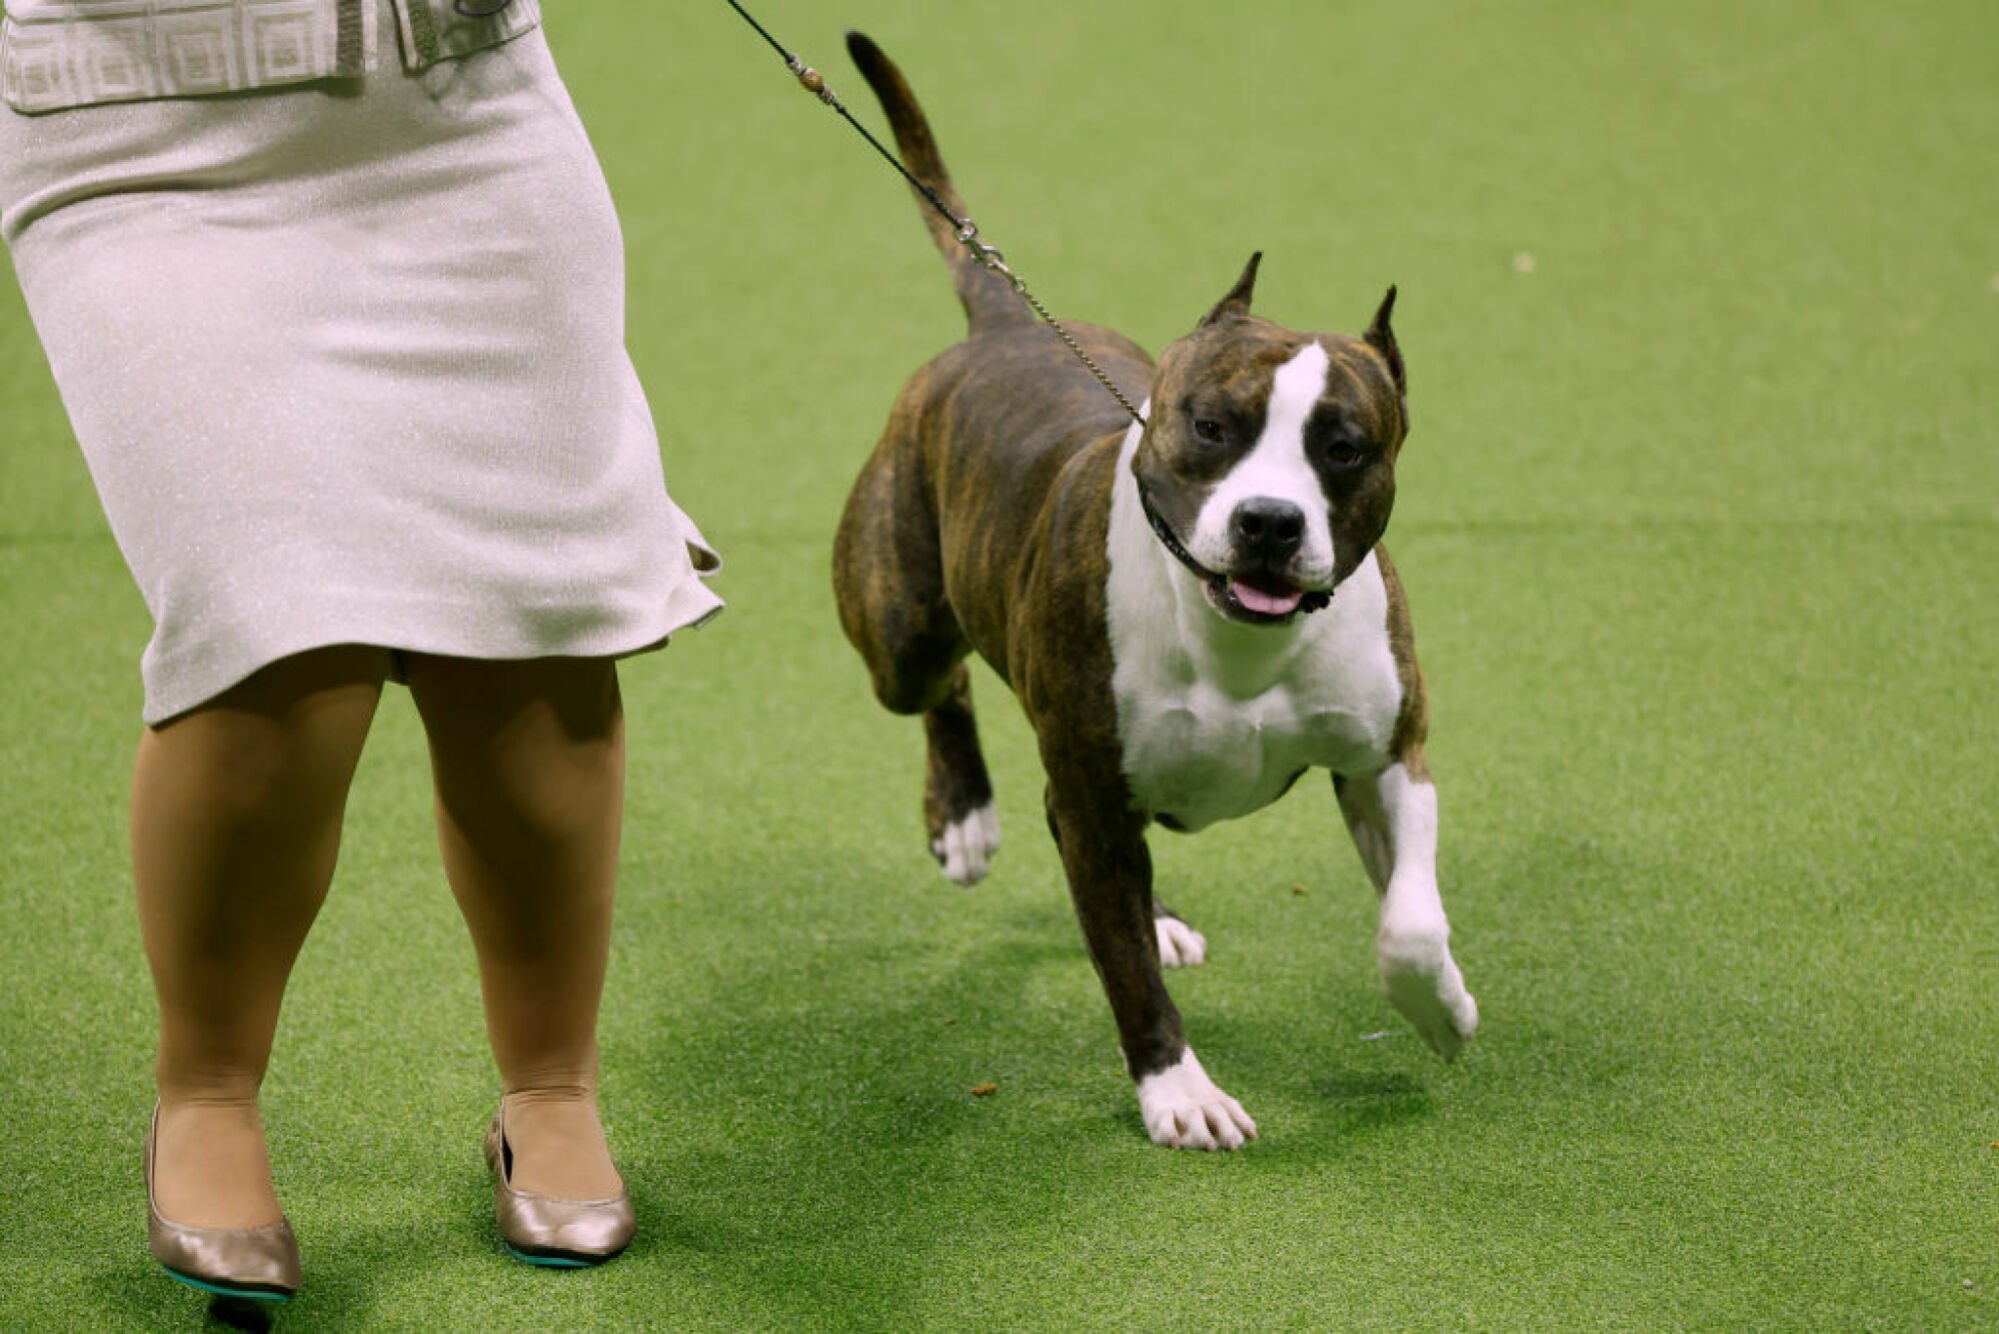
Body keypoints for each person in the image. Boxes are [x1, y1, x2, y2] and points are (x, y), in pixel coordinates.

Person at [0, 0, 721, 1304]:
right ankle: (206, 1090)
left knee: (537, 638)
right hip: (141, 133)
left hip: (460, 108)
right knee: (277, 642)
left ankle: (551, 1085)